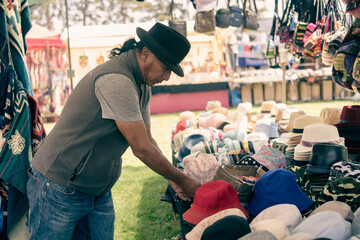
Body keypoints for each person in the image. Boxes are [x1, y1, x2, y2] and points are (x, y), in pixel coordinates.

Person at [26, 22, 201, 239]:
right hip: (59, 186)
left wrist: (171, 178)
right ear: (145, 53)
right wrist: (183, 179)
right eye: (165, 68)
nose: (166, 76)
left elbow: (147, 138)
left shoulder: (142, 84)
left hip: (96, 190)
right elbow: (142, 148)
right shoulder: (117, 80)